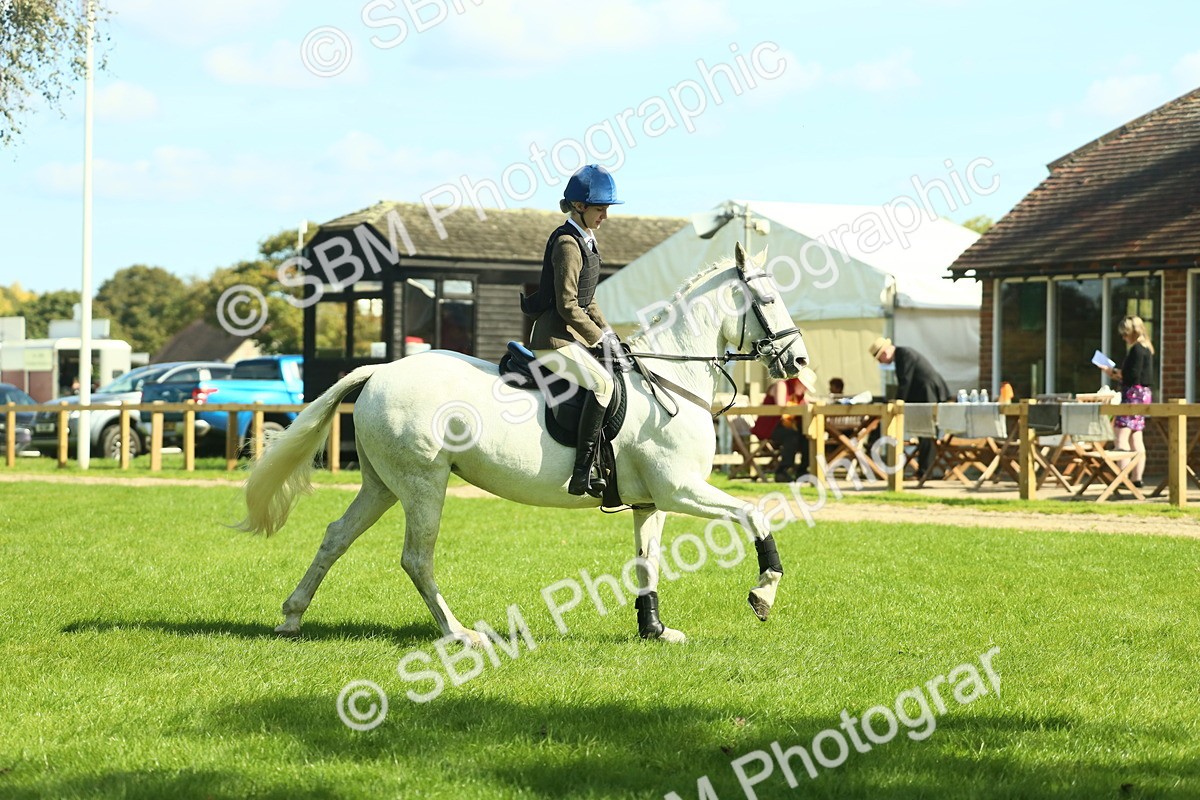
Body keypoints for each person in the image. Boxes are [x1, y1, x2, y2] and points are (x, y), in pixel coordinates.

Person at [521, 164, 623, 498]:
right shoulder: (568, 243)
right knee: (603, 384)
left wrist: (610, 335)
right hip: (552, 341)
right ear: (579, 206)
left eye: (606, 208)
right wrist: (598, 337)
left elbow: (588, 301)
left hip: (569, 338)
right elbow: (567, 305)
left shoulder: (587, 242)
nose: (605, 215)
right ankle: (584, 471)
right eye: (600, 208)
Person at [870, 336, 951, 480]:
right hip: (923, 395)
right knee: (924, 432)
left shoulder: (903, 355)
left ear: (884, 352)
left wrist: (897, 403)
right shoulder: (902, 355)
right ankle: (925, 470)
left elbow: (905, 382)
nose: (881, 362)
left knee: (926, 432)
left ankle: (925, 471)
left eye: (879, 358)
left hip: (927, 394)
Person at [1100, 315, 1154, 488]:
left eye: (1125, 334)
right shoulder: (1147, 348)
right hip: (1143, 395)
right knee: (1136, 436)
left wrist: (1112, 372)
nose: (1124, 337)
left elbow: (1131, 375)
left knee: (1120, 434)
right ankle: (1136, 478)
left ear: (1133, 332)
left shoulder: (1137, 350)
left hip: (1132, 395)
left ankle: (1122, 477)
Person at [752, 372, 813, 483]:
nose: (805, 389)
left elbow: (807, 404)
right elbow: (781, 407)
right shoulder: (782, 385)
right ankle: (782, 471)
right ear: (797, 381)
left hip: (786, 428)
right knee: (792, 436)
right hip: (770, 427)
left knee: (807, 436)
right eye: (804, 386)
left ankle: (802, 472)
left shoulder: (799, 394)